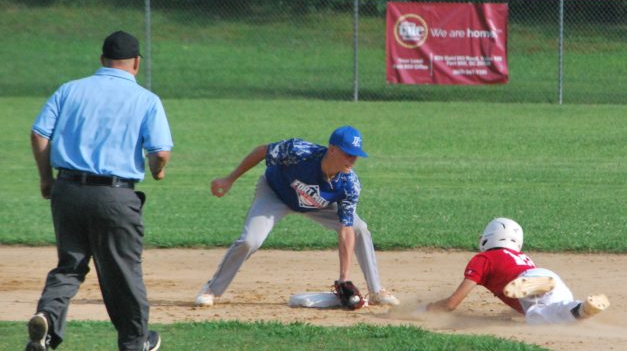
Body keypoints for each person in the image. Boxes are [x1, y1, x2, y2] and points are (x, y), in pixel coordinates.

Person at [28, 31, 173, 351]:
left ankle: (47, 322)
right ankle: (135, 343)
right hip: (115, 195)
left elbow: (39, 135)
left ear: (102, 59)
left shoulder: (69, 90)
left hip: (68, 190)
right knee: (123, 271)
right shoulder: (146, 99)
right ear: (136, 63)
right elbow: (160, 152)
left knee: (70, 265)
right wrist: (158, 170)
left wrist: (45, 179)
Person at [195, 126, 400, 308]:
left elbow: (346, 228)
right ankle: (212, 289)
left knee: (359, 228)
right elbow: (262, 151)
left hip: (320, 205)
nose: (352, 160)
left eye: (355, 155)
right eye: (348, 154)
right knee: (250, 240)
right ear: (332, 149)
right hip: (276, 194)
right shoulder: (299, 152)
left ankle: (376, 291)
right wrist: (229, 179)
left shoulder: (349, 184)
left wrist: (344, 278)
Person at [426, 217, 610, 324]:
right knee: (560, 309)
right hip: (546, 276)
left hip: (527, 282)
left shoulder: (483, 259)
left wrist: (427, 309)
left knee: (536, 317)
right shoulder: (523, 257)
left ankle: (576, 308)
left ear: (488, 238)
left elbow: (452, 304)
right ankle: (581, 308)